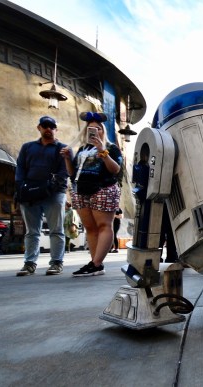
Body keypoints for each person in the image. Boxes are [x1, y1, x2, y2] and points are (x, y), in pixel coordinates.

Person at [61, 112, 122, 277]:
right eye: (90, 129)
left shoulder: (111, 148)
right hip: (80, 190)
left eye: (98, 129)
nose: (95, 132)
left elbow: (115, 169)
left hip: (103, 188)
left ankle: (96, 263)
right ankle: (95, 263)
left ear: (103, 131)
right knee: (90, 227)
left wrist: (102, 150)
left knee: (104, 225)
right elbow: (72, 173)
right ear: (85, 132)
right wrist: (68, 159)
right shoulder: (82, 149)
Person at [15, 115, 69, 276]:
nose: (48, 129)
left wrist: (51, 187)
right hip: (30, 193)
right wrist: (21, 188)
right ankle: (29, 263)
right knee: (32, 231)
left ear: (56, 129)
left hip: (53, 194)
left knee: (56, 230)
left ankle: (56, 263)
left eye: (51, 127)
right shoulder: (27, 147)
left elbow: (64, 172)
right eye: (45, 126)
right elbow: (20, 169)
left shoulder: (62, 148)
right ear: (39, 128)